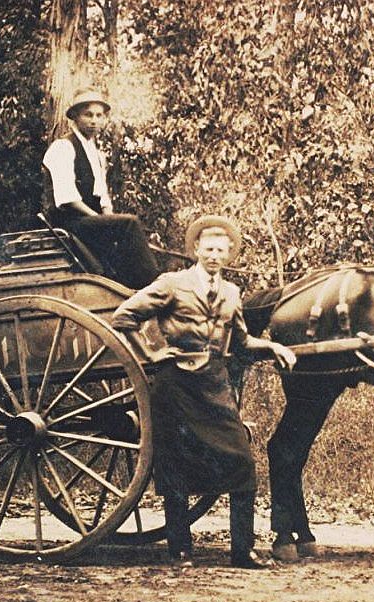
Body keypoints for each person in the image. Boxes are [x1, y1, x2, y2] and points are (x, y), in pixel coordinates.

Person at [111, 215, 297, 569]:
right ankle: (180, 551)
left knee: (242, 463)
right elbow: (124, 317)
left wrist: (273, 348)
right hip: (175, 385)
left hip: (214, 384)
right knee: (177, 467)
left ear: (227, 255)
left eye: (220, 250)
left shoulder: (231, 293)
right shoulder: (171, 284)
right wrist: (150, 353)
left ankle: (242, 552)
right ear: (196, 249)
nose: (214, 255)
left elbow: (240, 342)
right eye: (208, 248)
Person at [42, 86, 159, 289]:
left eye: (99, 115)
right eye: (88, 115)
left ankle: (127, 287)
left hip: (88, 221)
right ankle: (153, 284)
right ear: (75, 117)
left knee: (125, 231)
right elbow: (68, 198)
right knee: (129, 224)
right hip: (69, 223)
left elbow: (102, 196)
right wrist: (100, 220)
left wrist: (107, 216)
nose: (94, 121)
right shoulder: (63, 147)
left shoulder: (96, 153)